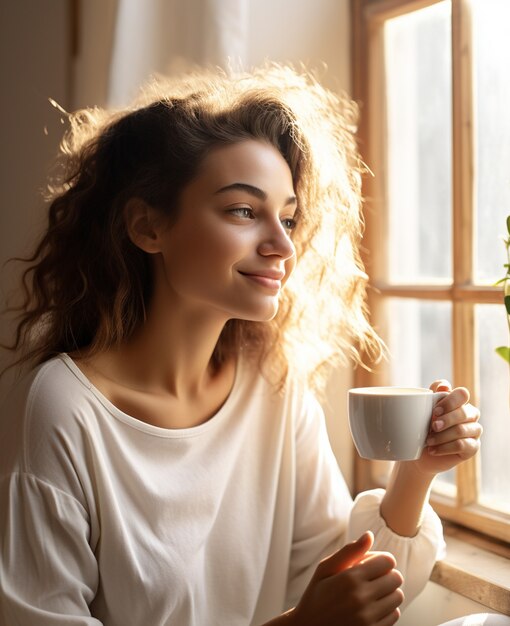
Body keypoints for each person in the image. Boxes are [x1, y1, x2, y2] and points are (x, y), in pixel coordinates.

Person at [0, 64, 482, 626]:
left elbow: (353, 583)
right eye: (243, 211)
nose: (282, 245)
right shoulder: (65, 406)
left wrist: (418, 470)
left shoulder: (272, 383)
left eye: (288, 217)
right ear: (147, 228)